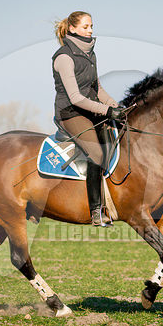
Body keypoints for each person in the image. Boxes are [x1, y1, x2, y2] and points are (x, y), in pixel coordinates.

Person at [52, 11, 125, 226]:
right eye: (86, 27)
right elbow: (75, 98)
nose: (90, 30)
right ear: (72, 29)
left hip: (92, 111)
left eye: (91, 26)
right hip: (71, 113)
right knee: (96, 152)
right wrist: (107, 112)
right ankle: (96, 211)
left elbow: (97, 88)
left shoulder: (90, 53)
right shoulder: (64, 57)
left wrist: (115, 106)